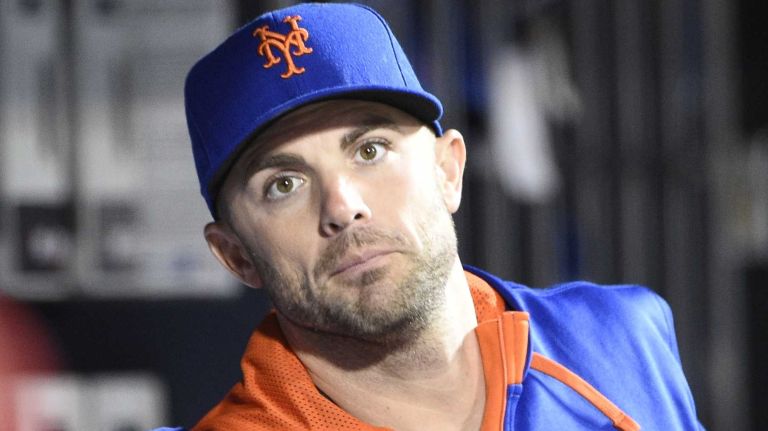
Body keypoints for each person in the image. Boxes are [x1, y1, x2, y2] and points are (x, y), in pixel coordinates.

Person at [158, 3, 704, 430]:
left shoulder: (620, 340)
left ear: (449, 170)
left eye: (370, 150)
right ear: (235, 256)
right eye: (284, 184)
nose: (344, 206)